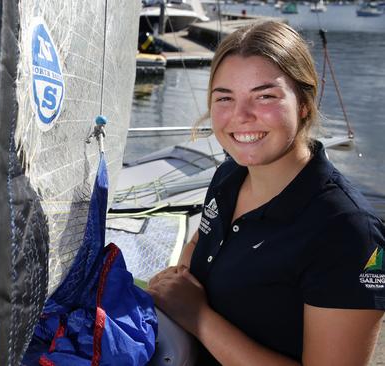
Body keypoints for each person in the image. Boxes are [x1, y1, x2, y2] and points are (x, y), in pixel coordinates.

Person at [147, 21, 385, 365]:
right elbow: (204, 240)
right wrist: (176, 279)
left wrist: (198, 317)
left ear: (304, 103)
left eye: (265, 96)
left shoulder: (348, 232)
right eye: (225, 98)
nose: (241, 116)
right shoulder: (229, 176)